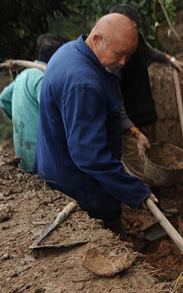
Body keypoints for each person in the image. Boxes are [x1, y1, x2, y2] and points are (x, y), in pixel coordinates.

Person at [35, 14, 155, 234]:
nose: (123, 63)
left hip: (57, 173)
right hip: (81, 194)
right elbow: (89, 156)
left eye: (128, 55)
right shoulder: (83, 84)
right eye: (120, 54)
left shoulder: (70, 51)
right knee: (112, 247)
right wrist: (134, 191)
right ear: (97, 39)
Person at [107, 3, 183, 182]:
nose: (134, 33)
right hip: (129, 127)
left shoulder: (137, 39)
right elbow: (116, 103)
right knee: (139, 171)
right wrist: (134, 131)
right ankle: (145, 208)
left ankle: (158, 205)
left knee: (154, 163)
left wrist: (170, 60)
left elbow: (149, 52)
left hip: (147, 115)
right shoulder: (112, 61)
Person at [0, 34, 66, 173]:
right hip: (42, 157)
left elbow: (4, 98)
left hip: (23, 154)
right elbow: (52, 113)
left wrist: (21, 119)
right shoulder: (45, 78)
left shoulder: (24, 74)